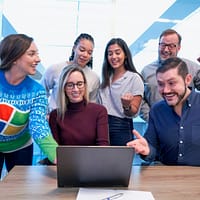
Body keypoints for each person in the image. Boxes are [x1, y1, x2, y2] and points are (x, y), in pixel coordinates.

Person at [0, 34, 58, 176]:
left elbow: (38, 125)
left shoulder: (37, 91)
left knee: (19, 190)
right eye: (32, 54)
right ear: (14, 58)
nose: (38, 59)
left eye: (37, 54)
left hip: (21, 146)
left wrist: (56, 154)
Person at [127, 57, 200, 166]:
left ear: (187, 80)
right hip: (166, 179)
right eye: (161, 84)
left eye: (172, 83)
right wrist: (146, 150)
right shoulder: (157, 111)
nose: (166, 90)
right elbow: (152, 149)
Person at [140, 29, 200, 121]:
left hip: (187, 124)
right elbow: (140, 99)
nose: (166, 49)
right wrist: (150, 117)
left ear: (179, 48)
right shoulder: (146, 71)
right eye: (163, 45)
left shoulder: (193, 68)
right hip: (158, 126)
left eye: (171, 46)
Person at [98, 38, 144, 146]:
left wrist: (126, 106)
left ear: (126, 55)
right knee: (100, 161)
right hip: (102, 125)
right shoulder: (105, 78)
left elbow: (133, 111)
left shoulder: (134, 78)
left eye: (117, 53)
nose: (114, 57)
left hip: (120, 127)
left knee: (119, 162)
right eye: (110, 54)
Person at [49, 64, 109, 145]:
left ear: (85, 85)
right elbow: (55, 150)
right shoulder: (55, 115)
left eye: (79, 84)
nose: (76, 89)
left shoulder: (99, 111)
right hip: (66, 158)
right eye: (70, 85)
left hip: (94, 157)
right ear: (64, 88)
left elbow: (103, 146)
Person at [40, 33, 100, 113]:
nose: (85, 55)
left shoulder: (94, 78)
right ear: (74, 48)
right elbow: (40, 94)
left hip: (79, 121)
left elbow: (92, 104)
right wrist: (46, 114)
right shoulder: (55, 69)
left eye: (89, 52)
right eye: (82, 50)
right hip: (54, 119)